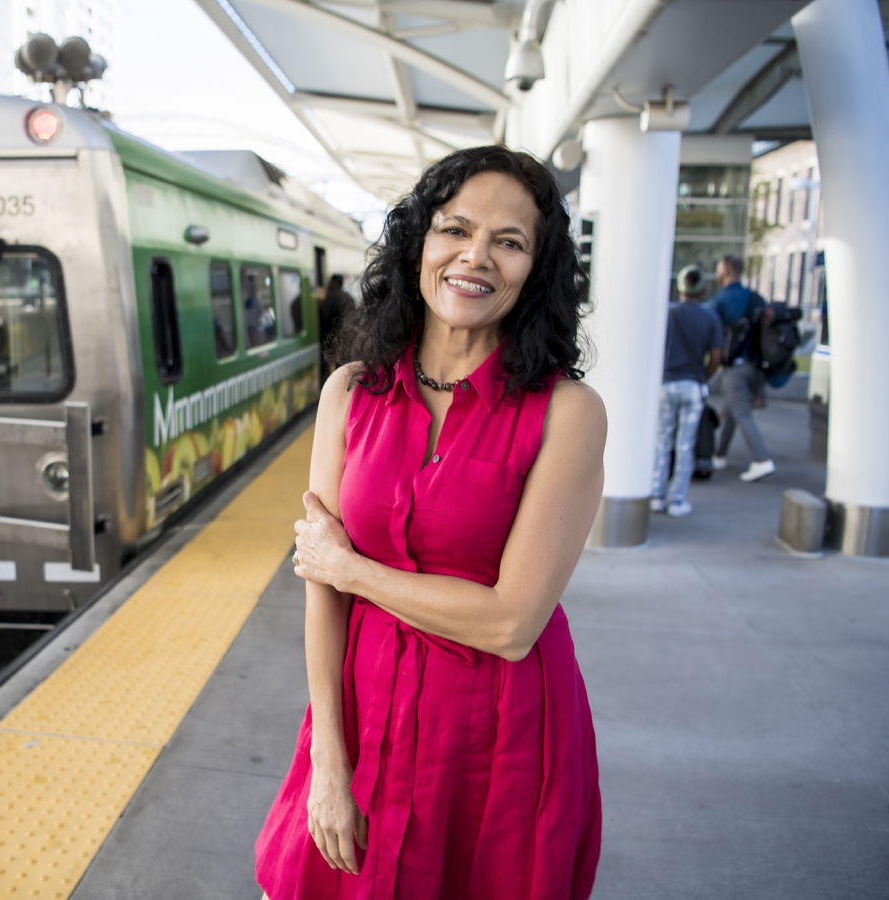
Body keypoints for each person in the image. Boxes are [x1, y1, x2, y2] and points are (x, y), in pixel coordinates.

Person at [256, 146, 606, 899]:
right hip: (358, 709)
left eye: (509, 242)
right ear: (420, 242)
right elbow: (320, 595)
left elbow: (512, 622)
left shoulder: (568, 414)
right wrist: (327, 759)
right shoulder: (351, 391)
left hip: (499, 740)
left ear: (535, 269)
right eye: (456, 229)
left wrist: (352, 569)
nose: (475, 256)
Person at [651, 265, 723, 517]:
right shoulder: (711, 317)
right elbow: (716, 356)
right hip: (693, 385)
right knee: (685, 445)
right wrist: (705, 375)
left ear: (679, 288)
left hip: (665, 384)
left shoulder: (667, 314)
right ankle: (677, 499)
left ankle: (656, 495)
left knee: (662, 441)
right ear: (703, 289)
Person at [709, 254, 775, 482]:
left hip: (736, 367)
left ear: (726, 271)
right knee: (732, 410)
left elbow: (708, 326)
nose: (717, 273)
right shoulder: (755, 298)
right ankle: (718, 455)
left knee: (741, 412)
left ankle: (762, 460)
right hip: (755, 366)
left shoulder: (723, 299)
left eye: (718, 269)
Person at [318, 274, 350, 380]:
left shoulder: (332, 297)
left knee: (331, 369)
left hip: (334, 339)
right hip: (349, 339)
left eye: (331, 282)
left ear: (336, 283)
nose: (329, 285)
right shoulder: (348, 297)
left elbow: (324, 318)